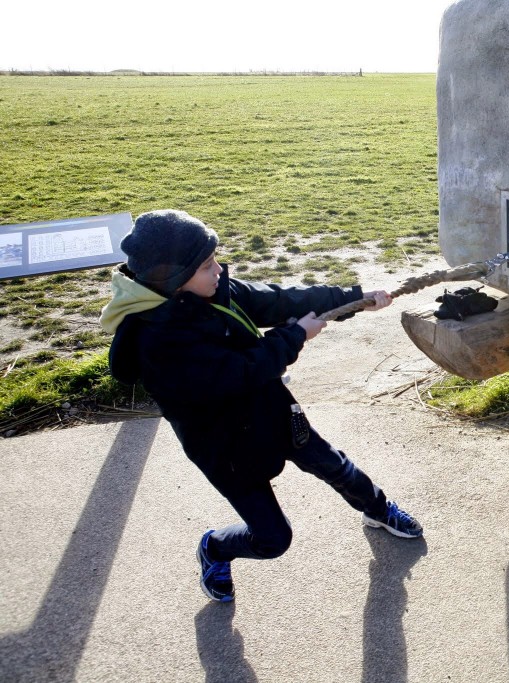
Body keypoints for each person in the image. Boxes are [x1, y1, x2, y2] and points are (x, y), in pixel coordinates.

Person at [100, 209, 422, 603]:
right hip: (225, 447)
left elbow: (280, 300)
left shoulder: (216, 291)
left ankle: (378, 508)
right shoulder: (156, 342)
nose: (218, 270)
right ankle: (215, 548)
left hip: (272, 412)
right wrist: (294, 336)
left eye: (215, 258)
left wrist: (353, 299)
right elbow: (238, 373)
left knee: (334, 465)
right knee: (272, 539)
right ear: (173, 277)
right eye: (206, 265)